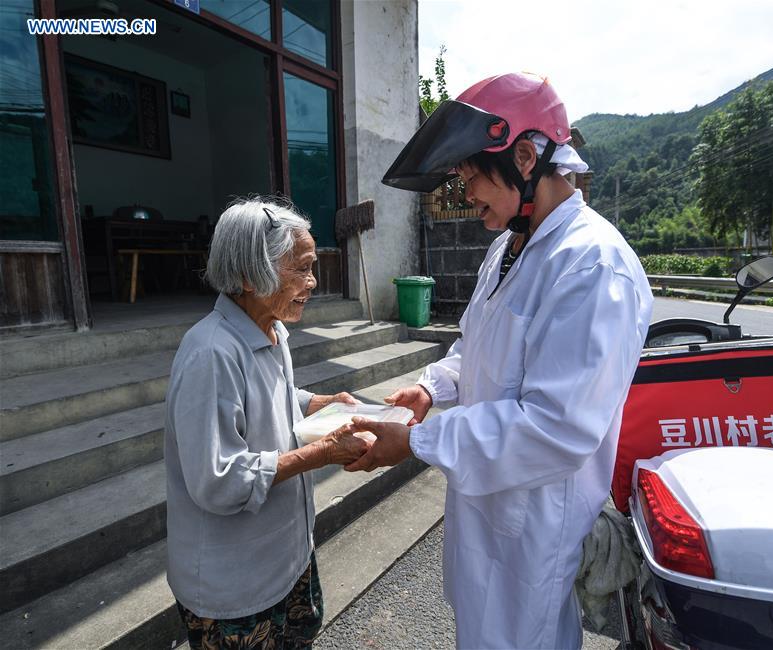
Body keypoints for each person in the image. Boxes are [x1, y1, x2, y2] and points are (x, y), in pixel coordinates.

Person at [348, 73, 654, 648]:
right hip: (488, 509)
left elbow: (556, 426)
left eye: (472, 178)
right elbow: (479, 348)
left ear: (524, 155)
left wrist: (416, 442)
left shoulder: (591, 264)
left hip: (534, 520)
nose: (467, 197)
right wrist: (431, 389)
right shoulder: (508, 246)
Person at [164, 197, 370, 649]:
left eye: (311, 267)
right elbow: (218, 479)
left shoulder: (272, 330)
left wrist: (319, 401)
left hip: (286, 557)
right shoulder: (211, 354)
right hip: (236, 585)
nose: (312, 282)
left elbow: (273, 398)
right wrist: (323, 452)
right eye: (300, 268)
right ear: (245, 274)